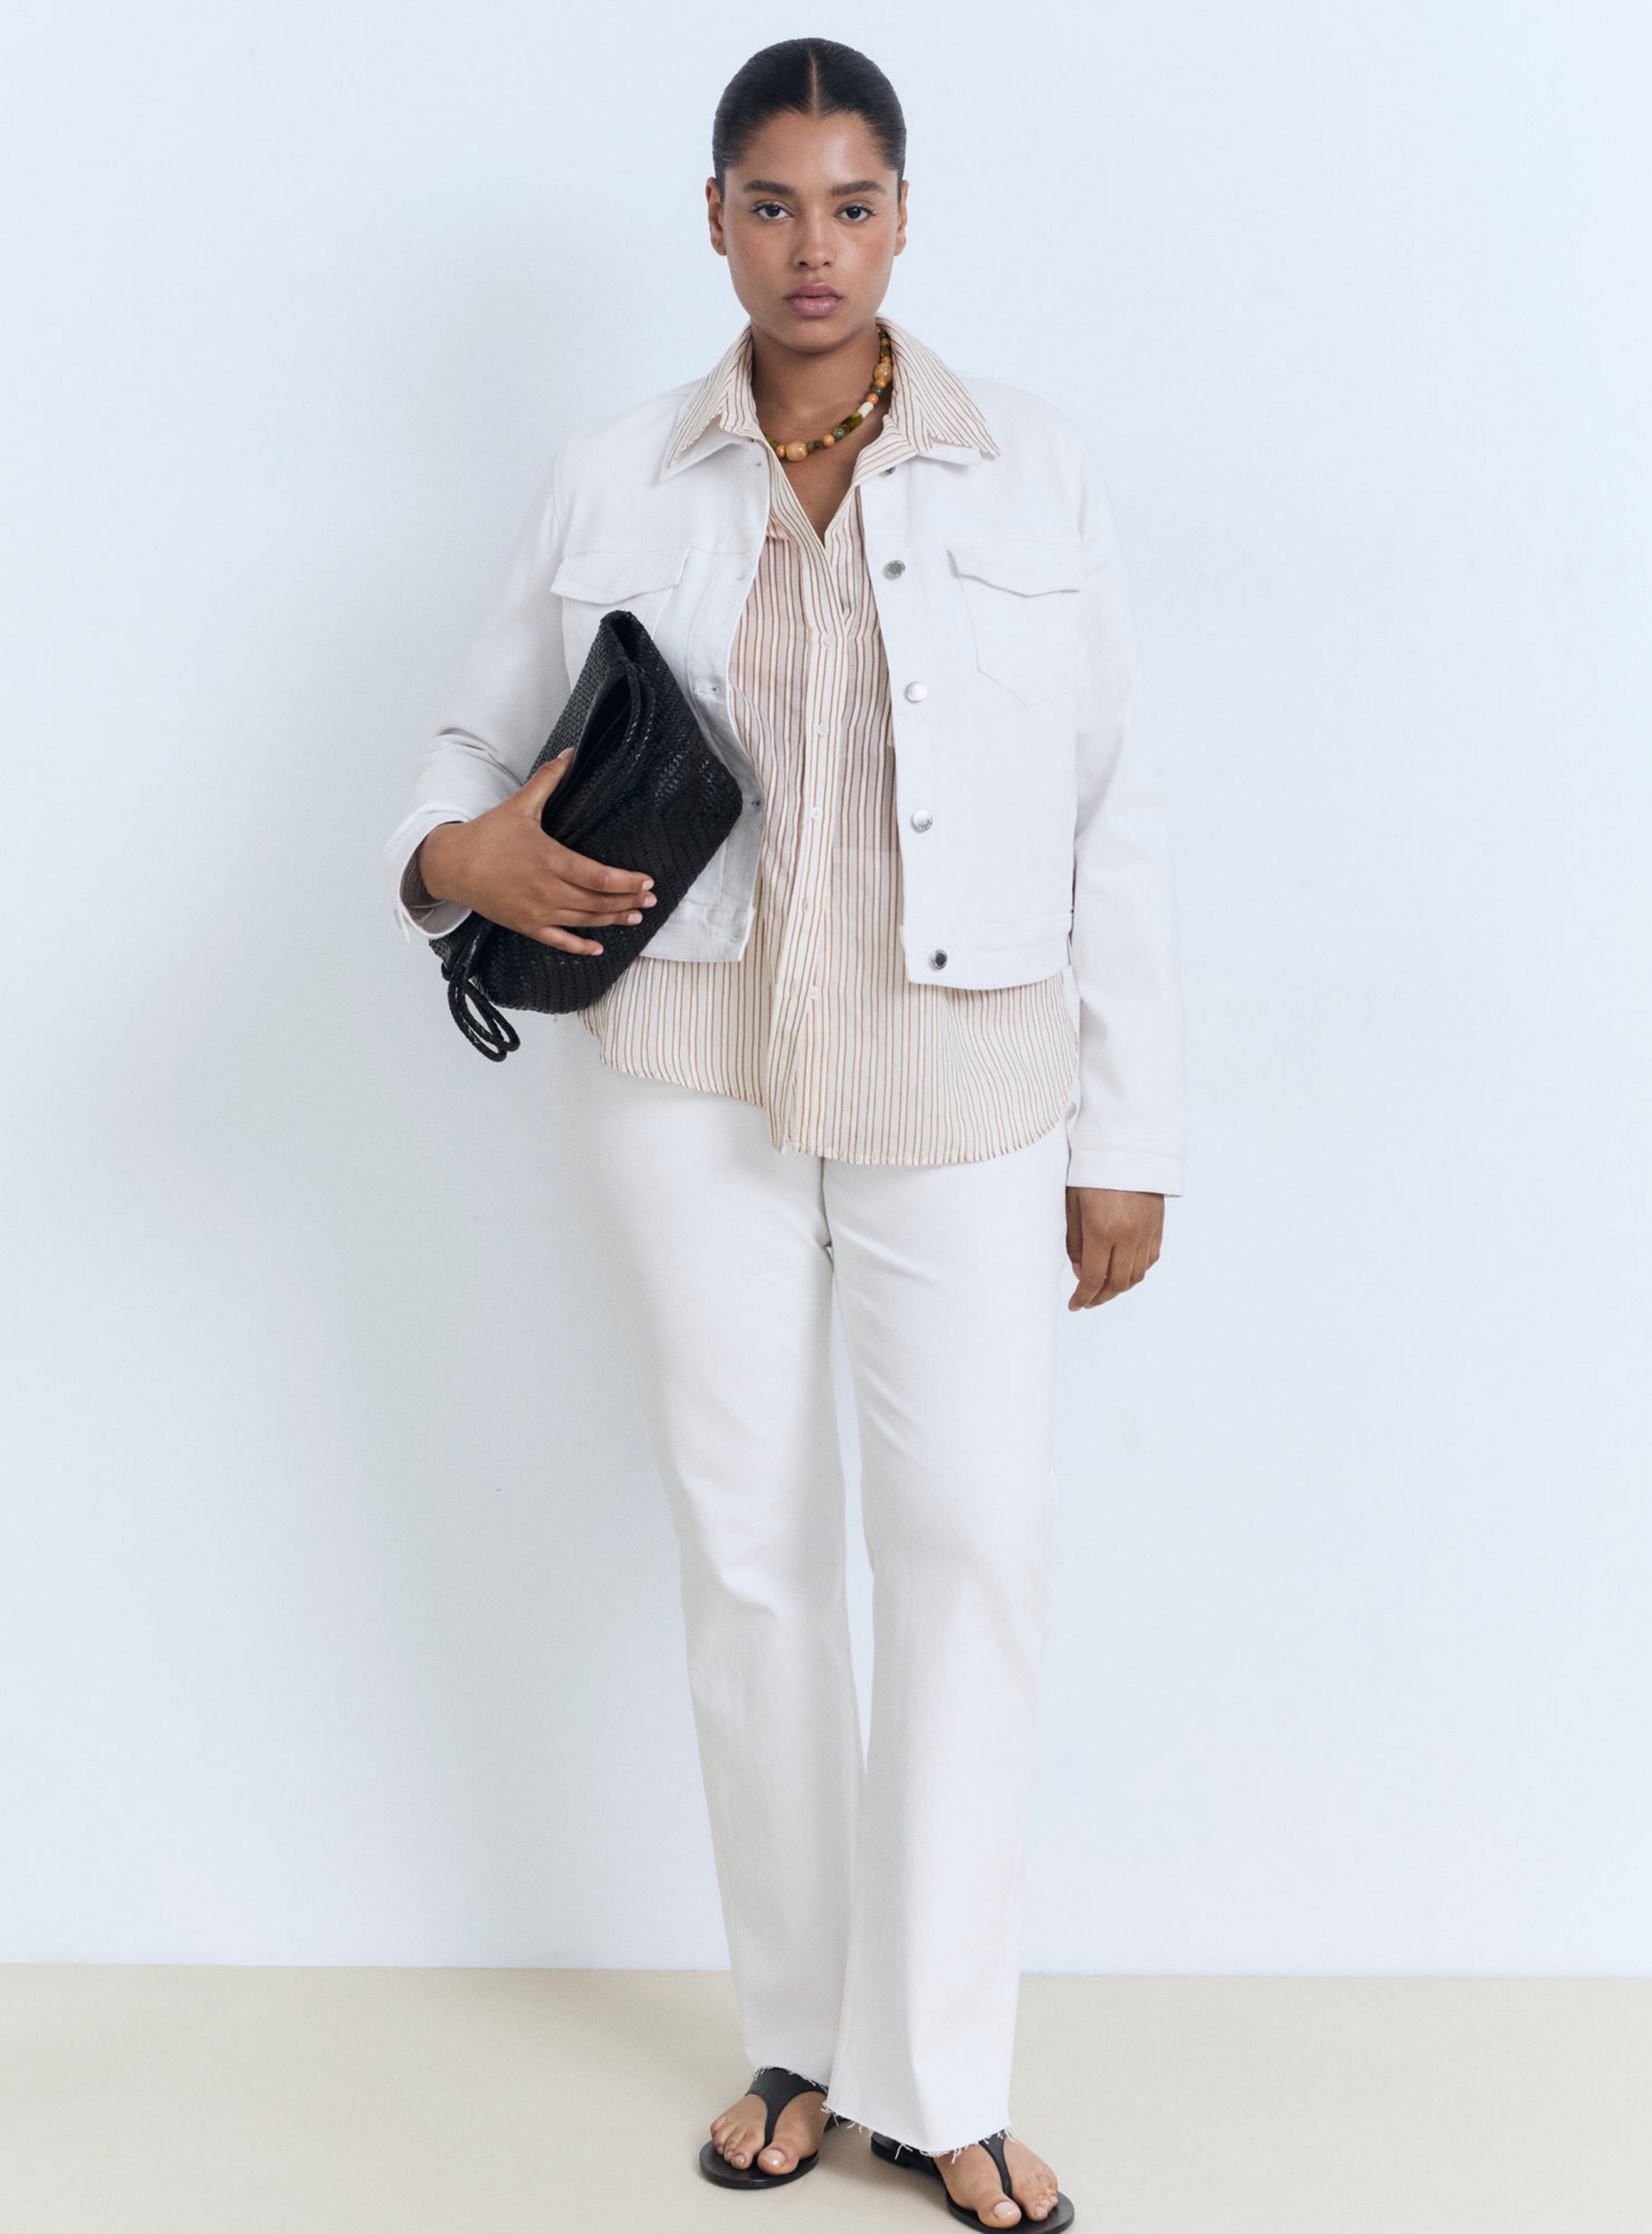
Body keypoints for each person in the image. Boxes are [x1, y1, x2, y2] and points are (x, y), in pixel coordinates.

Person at [383, 37, 1183, 2231]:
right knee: (750, 1558)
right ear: (715, 221)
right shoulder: (614, 473)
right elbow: (464, 739)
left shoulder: (1033, 468)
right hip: (686, 1075)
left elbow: (1115, 809)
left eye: (849, 203)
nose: (811, 245)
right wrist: (460, 857)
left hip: (965, 1082)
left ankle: (946, 2076)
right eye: (769, 203)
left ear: (902, 217)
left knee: (967, 1547)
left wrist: (1126, 1128)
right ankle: (801, 2039)